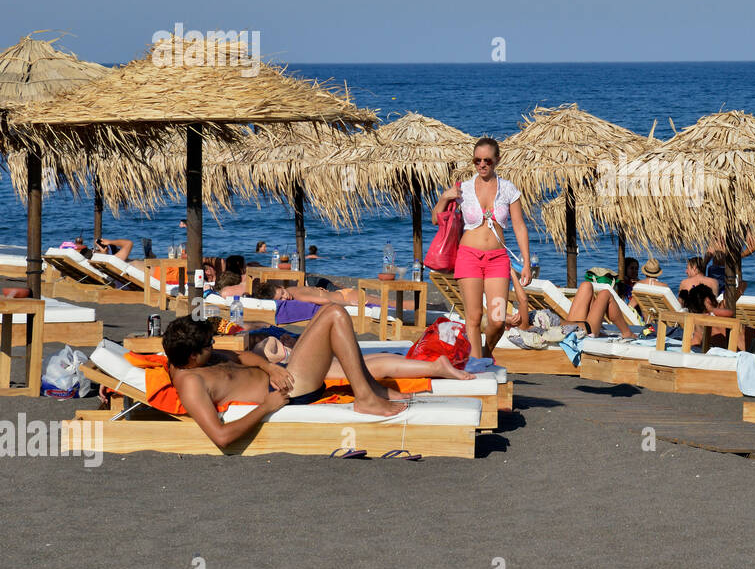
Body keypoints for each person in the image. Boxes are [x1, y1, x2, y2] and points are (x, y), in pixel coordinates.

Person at [162, 308, 405, 450]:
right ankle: (365, 397)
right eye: (209, 344)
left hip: (282, 375)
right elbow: (221, 437)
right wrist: (266, 407)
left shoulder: (197, 357)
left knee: (325, 311)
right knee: (335, 314)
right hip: (291, 390)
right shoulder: (191, 384)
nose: (213, 345)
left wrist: (269, 367)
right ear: (192, 356)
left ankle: (370, 388)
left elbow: (241, 357)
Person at [433, 137, 532, 360]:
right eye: (477, 160)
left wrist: (526, 262)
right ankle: (477, 368)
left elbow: (519, 225)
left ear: (497, 159)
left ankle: (485, 355)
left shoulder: (508, 189)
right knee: (474, 318)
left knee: (497, 320)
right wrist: (443, 198)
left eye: (487, 160)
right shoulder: (463, 189)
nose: (482, 165)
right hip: (468, 257)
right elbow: (436, 219)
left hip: (497, 259)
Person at [254, 331, 473, 383]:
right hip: (300, 363)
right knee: (357, 364)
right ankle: (433, 367)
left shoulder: (260, 347)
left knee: (359, 368)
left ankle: (436, 368)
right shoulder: (262, 346)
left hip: (299, 366)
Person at [682, 284, 735, 350]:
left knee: (697, 334)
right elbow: (730, 313)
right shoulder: (714, 312)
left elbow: (696, 338)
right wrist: (712, 309)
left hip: (703, 344)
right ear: (708, 300)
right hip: (725, 346)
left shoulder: (695, 317)